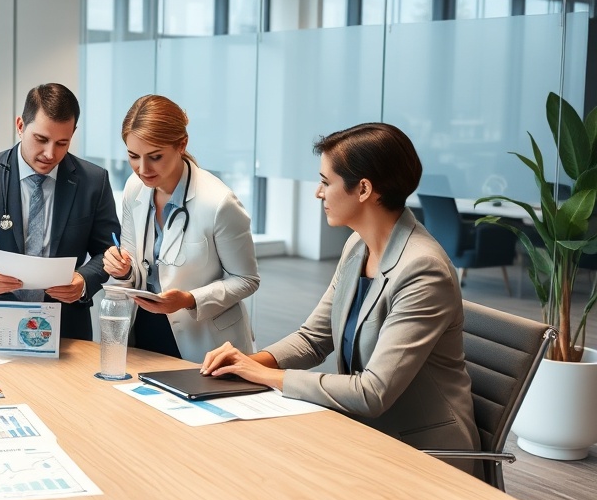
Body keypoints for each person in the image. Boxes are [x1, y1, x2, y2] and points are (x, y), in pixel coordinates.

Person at [201, 123, 480, 461]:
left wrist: (267, 376)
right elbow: (312, 338)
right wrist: (245, 363)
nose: (319, 194)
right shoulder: (357, 246)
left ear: (363, 189)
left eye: (325, 182)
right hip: (366, 433)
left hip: (421, 450)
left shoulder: (422, 270)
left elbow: (372, 392)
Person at [0, 83, 120, 340]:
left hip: (66, 326)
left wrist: (83, 281)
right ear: (20, 126)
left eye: (62, 142)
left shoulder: (93, 181)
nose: (50, 153)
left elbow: (107, 252)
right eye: (41, 139)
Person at [102, 95, 259, 361]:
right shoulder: (134, 188)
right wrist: (122, 267)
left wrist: (188, 299)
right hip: (143, 328)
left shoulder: (218, 202)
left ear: (181, 144)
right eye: (133, 156)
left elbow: (246, 280)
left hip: (204, 339)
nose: (142, 169)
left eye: (155, 157)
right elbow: (133, 266)